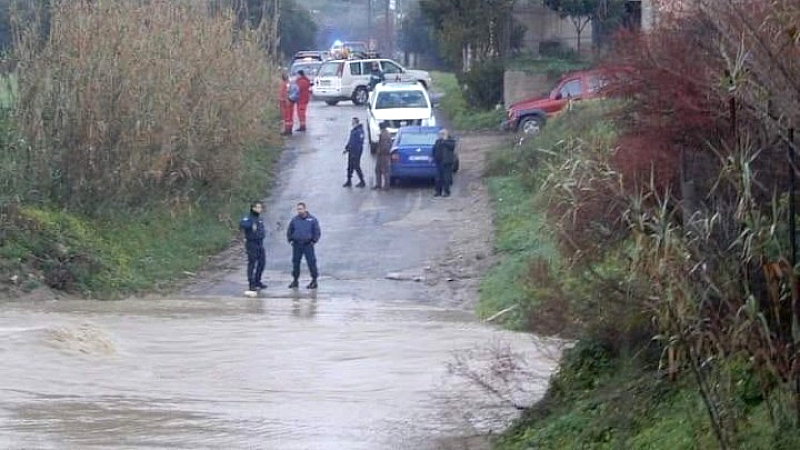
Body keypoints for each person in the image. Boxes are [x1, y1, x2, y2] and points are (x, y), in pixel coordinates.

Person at [287, 202, 321, 289]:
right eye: (298, 209)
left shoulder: (312, 220)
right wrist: (290, 240)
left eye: (301, 209)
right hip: (297, 245)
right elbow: (290, 230)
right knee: (295, 263)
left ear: (305, 209)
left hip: (308, 245)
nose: (299, 211)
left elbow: (317, 232)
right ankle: (295, 280)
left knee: (311, 262)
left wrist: (313, 241)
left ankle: (314, 280)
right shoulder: (294, 220)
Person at [240, 201, 267, 295]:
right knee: (252, 263)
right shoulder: (248, 217)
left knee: (262, 262)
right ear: (253, 208)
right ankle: (251, 283)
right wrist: (251, 225)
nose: (260, 209)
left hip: (260, 243)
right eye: (258, 207)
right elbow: (242, 224)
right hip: (251, 243)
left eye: (261, 207)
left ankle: (257, 280)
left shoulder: (259, 218)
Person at [432, 128, 456, 197]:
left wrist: (445, 140)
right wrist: (433, 157)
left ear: (446, 134)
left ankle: (447, 192)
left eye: (442, 134)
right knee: (438, 178)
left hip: (447, 162)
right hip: (439, 161)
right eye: (440, 134)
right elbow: (434, 149)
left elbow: (452, 147)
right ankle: (438, 192)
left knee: (446, 178)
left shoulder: (451, 141)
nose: (440, 135)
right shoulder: (438, 141)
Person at [343, 117, 366, 188]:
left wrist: (356, 153)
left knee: (356, 166)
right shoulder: (353, 130)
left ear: (357, 123)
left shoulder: (359, 131)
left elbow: (359, 143)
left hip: (356, 152)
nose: (352, 124)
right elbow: (351, 141)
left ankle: (362, 181)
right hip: (351, 151)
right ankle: (349, 181)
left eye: (353, 122)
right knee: (350, 166)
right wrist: (347, 148)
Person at [373, 121, 392, 190]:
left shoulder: (384, 135)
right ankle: (380, 184)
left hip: (383, 155)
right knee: (378, 170)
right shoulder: (385, 133)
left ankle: (385, 186)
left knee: (384, 170)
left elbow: (385, 145)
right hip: (383, 154)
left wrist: (380, 151)